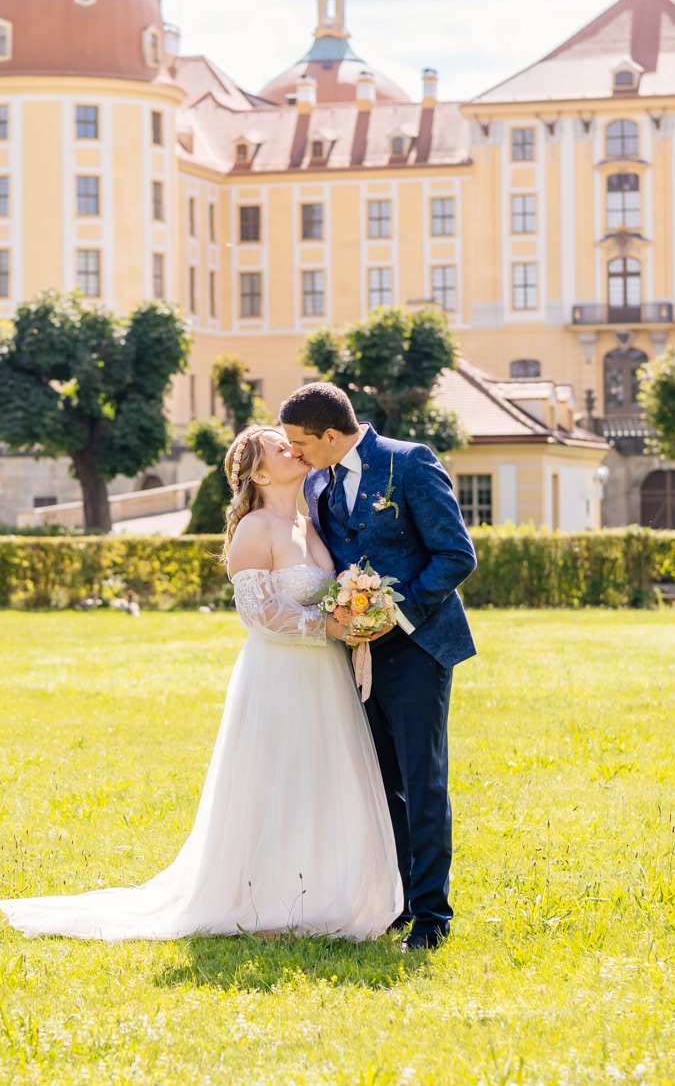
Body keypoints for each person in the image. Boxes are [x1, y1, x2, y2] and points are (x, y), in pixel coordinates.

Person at [0, 426, 403, 941]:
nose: (294, 449)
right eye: (281, 448)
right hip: (279, 673)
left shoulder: (309, 522)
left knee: (318, 777)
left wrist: (354, 610)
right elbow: (257, 614)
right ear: (258, 473)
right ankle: (265, 901)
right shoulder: (256, 528)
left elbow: (321, 595)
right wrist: (329, 625)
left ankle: (320, 893)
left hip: (324, 673)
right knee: (277, 779)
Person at [280, 383, 477, 951]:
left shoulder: (410, 463)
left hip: (419, 647)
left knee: (422, 779)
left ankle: (433, 917)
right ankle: (399, 902)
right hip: (355, 653)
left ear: (333, 435)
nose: (295, 453)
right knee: (381, 781)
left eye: (301, 443)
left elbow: (456, 555)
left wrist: (399, 612)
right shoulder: (317, 481)